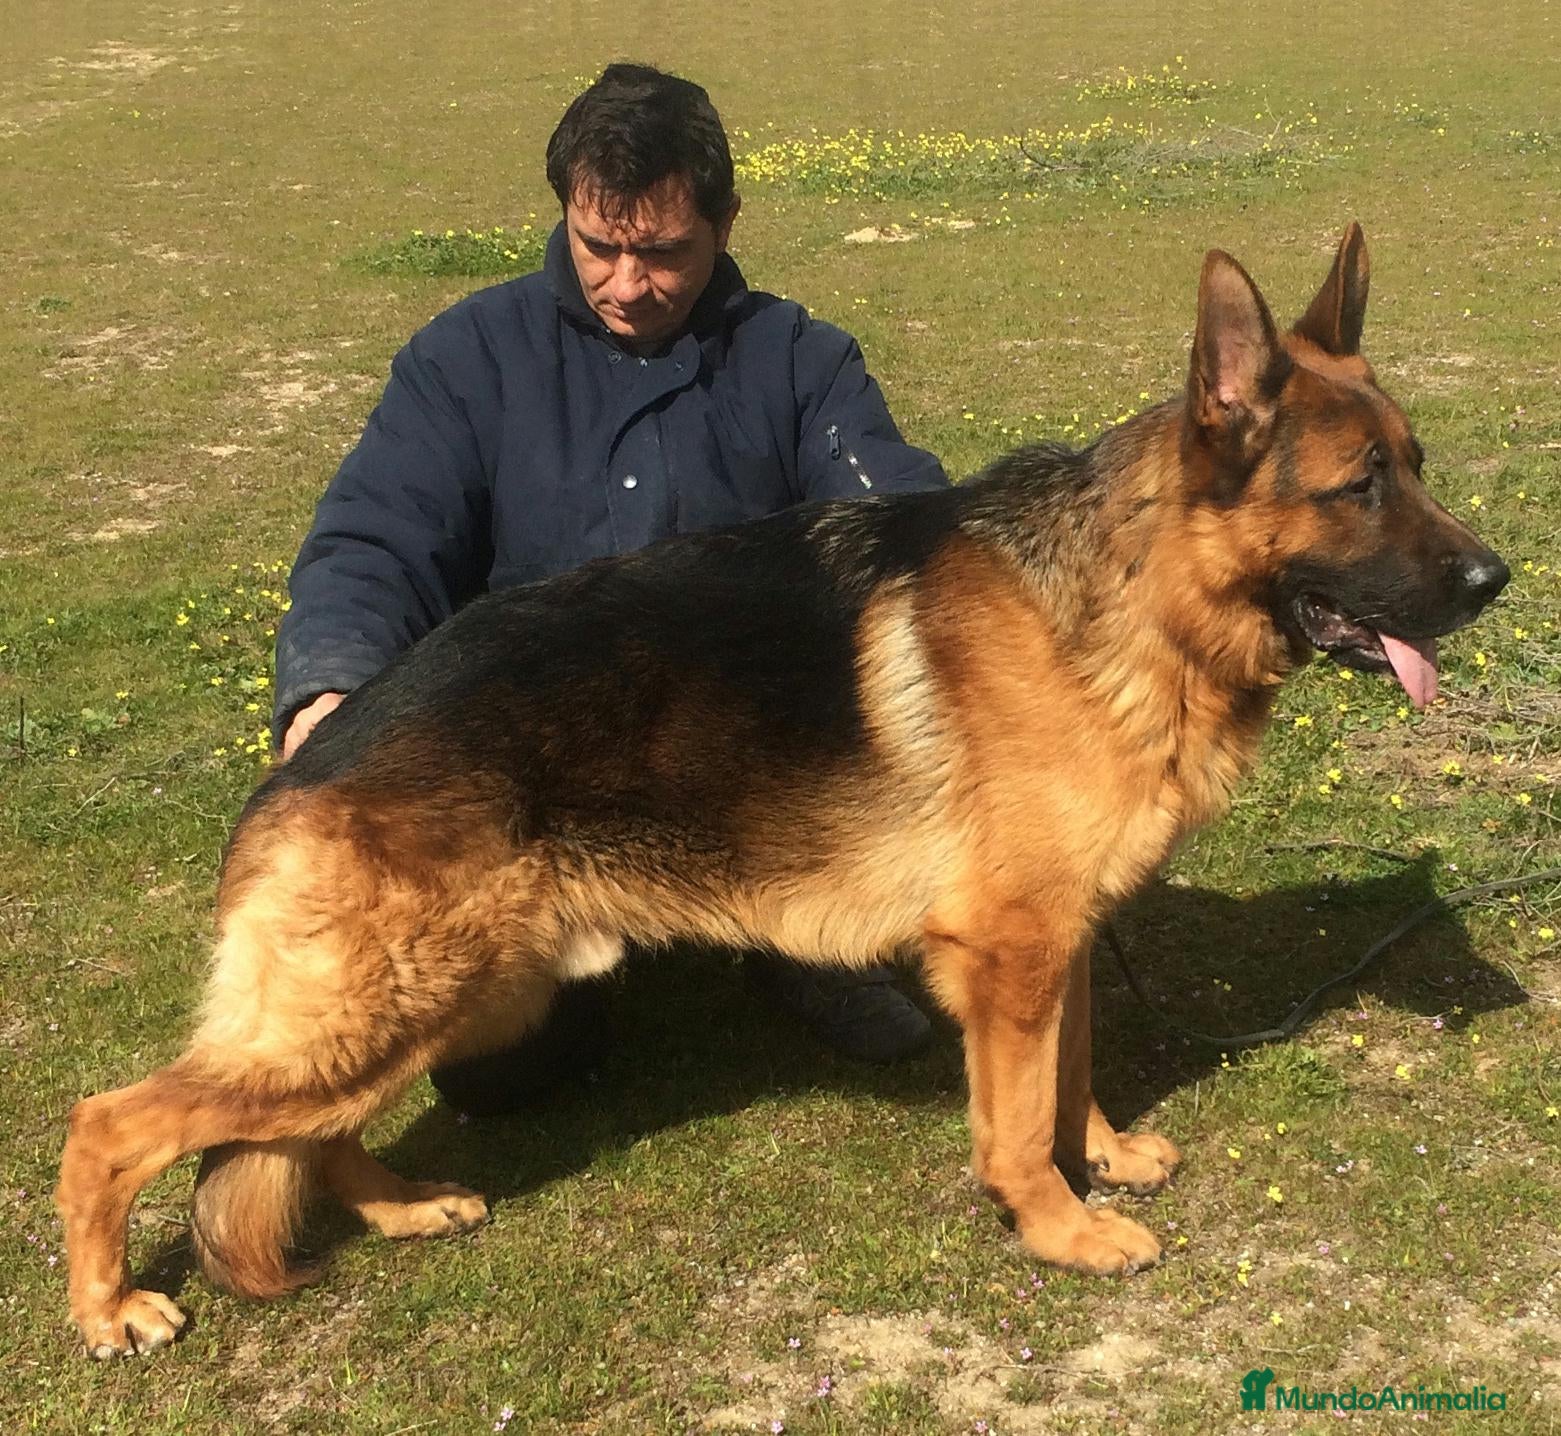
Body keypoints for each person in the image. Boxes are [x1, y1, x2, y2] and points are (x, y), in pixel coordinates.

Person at [274, 63, 949, 1115]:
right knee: (506, 1077)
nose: (626, 283)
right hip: (542, 786)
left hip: (760, 778)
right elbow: (375, 536)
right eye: (600, 246)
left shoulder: (800, 360)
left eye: (663, 252)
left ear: (725, 222)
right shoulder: (467, 358)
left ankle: (811, 951)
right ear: (565, 215)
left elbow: (902, 523)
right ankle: (584, 970)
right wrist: (331, 686)